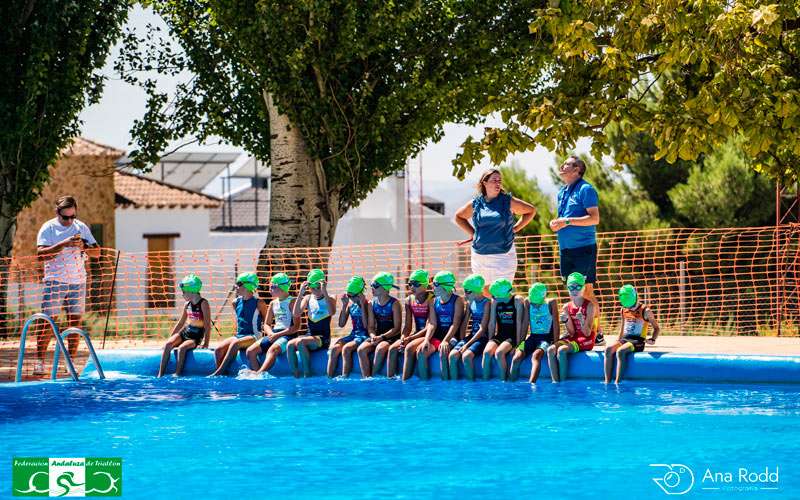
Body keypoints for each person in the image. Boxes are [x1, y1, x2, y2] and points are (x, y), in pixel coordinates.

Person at [34, 196, 100, 373]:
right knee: (48, 322)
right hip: (55, 280)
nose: (69, 221)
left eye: (72, 216)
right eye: (65, 217)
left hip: (78, 282)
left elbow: (97, 253)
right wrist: (63, 244)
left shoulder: (81, 227)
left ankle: (69, 363)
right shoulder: (48, 228)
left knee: (74, 323)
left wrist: (84, 246)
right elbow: (40, 255)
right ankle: (39, 362)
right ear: (57, 213)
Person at [549, 156, 605, 345]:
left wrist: (566, 221)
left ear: (577, 170)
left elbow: (594, 218)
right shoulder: (562, 192)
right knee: (573, 291)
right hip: (565, 249)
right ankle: (576, 330)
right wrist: (556, 223)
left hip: (584, 248)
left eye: (567, 164)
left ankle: (597, 332)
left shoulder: (586, 189)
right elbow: (564, 218)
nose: (562, 166)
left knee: (586, 291)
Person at [454, 169, 537, 294]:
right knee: (484, 294)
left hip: (503, 256)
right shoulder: (476, 203)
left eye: (499, 181)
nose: (498, 183)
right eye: (494, 180)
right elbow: (459, 217)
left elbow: (530, 211)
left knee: (502, 293)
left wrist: (515, 228)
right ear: (484, 183)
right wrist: (473, 233)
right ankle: (488, 314)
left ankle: (503, 314)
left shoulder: (507, 201)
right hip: (480, 256)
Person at [210, 272, 268, 376]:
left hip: (254, 336)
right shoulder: (235, 302)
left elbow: (267, 321)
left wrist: (267, 340)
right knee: (218, 350)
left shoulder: (259, 303)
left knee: (235, 344)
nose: (235, 286)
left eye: (239, 284)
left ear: (248, 285)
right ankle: (224, 376)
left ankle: (218, 372)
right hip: (239, 336)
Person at [604, 285, 660, 384]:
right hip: (625, 339)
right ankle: (607, 382)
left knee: (620, 352)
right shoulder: (623, 309)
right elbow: (622, 326)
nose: (628, 308)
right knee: (608, 349)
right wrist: (618, 340)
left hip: (637, 341)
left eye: (629, 305)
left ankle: (617, 383)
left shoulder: (645, 311)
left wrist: (653, 339)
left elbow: (656, 328)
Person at [157, 274, 211, 377]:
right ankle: (160, 374)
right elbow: (181, 323)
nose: (182, 294)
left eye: (183, 292)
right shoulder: (187, 305)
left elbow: (207, 325)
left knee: (182, 348)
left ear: (191, 291)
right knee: (168, 344)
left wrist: (206, 344)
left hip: (195, 337)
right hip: (185, 332)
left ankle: (177, 374)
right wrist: (171, 338)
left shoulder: (203, 304)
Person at [547, 272, 597, 382]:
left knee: (562, 350)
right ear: (568, 288)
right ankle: (555, 382)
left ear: (583, 288)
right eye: (571, 287)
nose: (575, 290)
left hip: (587, 339)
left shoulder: (589, 306)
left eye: (578, 286)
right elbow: (572, 332)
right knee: (550, 349)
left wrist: (582, 320)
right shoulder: (566, 307)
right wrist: (565, 321)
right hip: (574, 337)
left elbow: (587, 333)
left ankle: (563, 383)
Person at [288, 269, 336, 378]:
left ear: (323, 285)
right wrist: (300, 294)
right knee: (290, 345)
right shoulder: (308, 298)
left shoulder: (331, 298)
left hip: (323, 338)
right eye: (312, 288)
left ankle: (307, 374)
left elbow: (332, 312)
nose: (315, 290)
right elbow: (296, 313)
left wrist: (325, 292)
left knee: (300, 342)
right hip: (309, 336)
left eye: (318, 287)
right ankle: (295, 376)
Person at [388, 269, 435, 381]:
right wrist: (403, 337)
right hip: (416, 334)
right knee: (392, 349)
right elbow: (408, 326)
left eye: (416, 284)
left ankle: (405, 381)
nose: (412, 287)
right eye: (410, 284)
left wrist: (411, 338)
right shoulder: (409, 300)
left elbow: (430, 326)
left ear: (425, 285)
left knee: (409, 349)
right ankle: (390, 381)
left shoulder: (431, 299)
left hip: (429, 334)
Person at [250, 273, 300, 374]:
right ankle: (259, 375)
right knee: (250, 351)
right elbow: (267, 324)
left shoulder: (292, 302)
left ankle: (259, 374)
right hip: (274, 334)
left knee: (272, 350)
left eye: (272, 287)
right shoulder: (273, 303)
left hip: (288, 335)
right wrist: (270, 334)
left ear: (282, 288)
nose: (270, 289)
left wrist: (277, 335)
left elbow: (296, 327)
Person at [417, 271, 464, 380]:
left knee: (443, 353)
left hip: (452, 336)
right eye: (432, 284)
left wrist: (446, 340)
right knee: (421, 352)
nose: (432, 287)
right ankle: (424, 386)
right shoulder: (433, 301)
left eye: (436, 284)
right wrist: (426, 340)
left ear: (445, 286)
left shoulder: (457, 301)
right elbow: (432, 323)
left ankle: (447, 384)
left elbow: (455, 324)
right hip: (438, 337)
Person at [510, 282, 559, 383]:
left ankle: (531, 384)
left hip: (546, 339)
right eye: (533, 303)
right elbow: (525, 323)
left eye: (537, 303)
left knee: (536, 356)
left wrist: (556, 343)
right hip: (532, 337)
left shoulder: (551, 303)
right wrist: (519, 343)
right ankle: (510, 384)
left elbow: (556, 324)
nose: (535, 305)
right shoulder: (528, 302)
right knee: (516, 358)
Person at [357, 272, 402, 378]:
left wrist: (382, 337)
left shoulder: (395, 304)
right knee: (361, 349)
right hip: (377, 336)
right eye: (371, 285)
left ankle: (373, 377)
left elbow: (397, 328)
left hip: (391, 337)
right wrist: (373, 336)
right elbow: (371, 326)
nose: (372, 288)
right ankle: (366, 378)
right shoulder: (372, 304)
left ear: (385, 288)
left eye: (375, 286)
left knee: (380, 348)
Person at [448, 274, 490, 381]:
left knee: (466, 357)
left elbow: (483, 329)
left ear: (476, 291)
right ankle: (455, 386)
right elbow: (464, 324)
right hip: (471, 336)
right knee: (452, 356)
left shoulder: (487, 303)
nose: (465, 294)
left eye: (467, 291)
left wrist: (467, 345)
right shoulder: (470, 302)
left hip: (483, 338)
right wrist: (462, 340)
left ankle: (471, 385)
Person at [482, 278, 524, 381]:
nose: (492, 297)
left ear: (502, 294)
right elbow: (492, 323)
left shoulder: (517, 300)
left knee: (499, 353)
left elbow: (519, 324)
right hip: (500, 335)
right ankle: (485, 381)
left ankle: (503, 381)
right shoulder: (495, 302)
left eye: (494, 295)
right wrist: (490, 341)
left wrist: (518, 345)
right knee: (487, 353)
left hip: (512, 336)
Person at [328, 276, 370, 378]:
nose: (350, 299)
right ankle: (329, 378)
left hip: (365, 336)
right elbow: (341, 324)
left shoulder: (368, 304)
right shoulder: (351, 306)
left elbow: (366, 326)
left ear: (360, 294)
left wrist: (362, 306)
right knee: (334, 349)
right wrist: (344, 305)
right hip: (353, 335)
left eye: (352, 296)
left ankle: (345, 377)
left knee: (346, 348)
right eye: (348, 296)